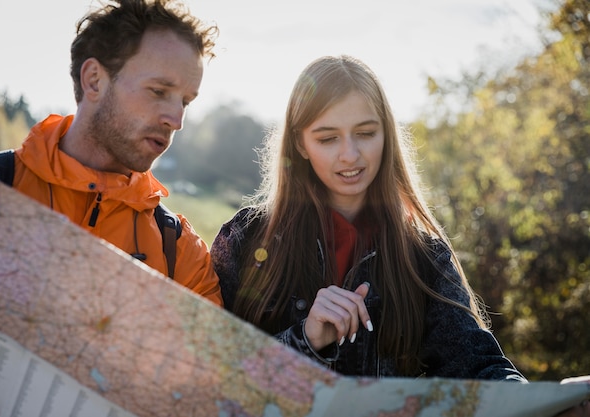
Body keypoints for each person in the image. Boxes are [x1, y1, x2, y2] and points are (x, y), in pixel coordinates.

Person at [210, 55, 589, 415]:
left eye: (365, 133)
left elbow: (477, 367)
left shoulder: (423, 256)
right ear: (299, 144)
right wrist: (304, 340)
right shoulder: (246, 239)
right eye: (327, 138)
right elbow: (206, 377)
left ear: (386, 134)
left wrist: (552, 402)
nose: (350, 155)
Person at [0, 0, 223, 332]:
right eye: (159, 91)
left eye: (185, 101)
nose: (176, 120)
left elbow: (212, 375)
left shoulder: (182, 253)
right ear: (95, 80)